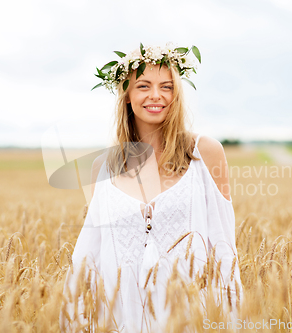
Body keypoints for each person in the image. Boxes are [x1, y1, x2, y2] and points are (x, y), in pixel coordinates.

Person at [60, 43, 243, 332]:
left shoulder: (204, 153)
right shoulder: (102, 168)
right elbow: (90, 256)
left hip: (189, 317)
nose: (156, 95)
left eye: (167, 87)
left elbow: (224, 248)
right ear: (127, 96)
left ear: (177, 95)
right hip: (122, 318)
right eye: (143, 86)